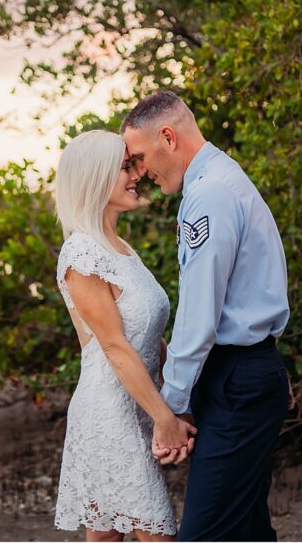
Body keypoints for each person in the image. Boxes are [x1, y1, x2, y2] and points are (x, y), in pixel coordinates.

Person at [121, 91, 291, 542]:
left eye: (139, 157)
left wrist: (172, 408)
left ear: (168, 137)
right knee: (248, 530)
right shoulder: (217, 180)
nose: (140, 172)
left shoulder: (211, 194)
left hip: (239, 380)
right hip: (243, 375)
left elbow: (199, 317)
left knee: (205, 535)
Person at [52, 129, 196, 541]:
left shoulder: (120, 247)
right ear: (95, 177)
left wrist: (178, 397)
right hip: (109, 413)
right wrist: (164, 418)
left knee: (107, 535)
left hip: (137, 405)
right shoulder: (82, 254)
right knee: (155, 532)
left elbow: (148, 336)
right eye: (123, 167)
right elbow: (115, 347)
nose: (136, 174)